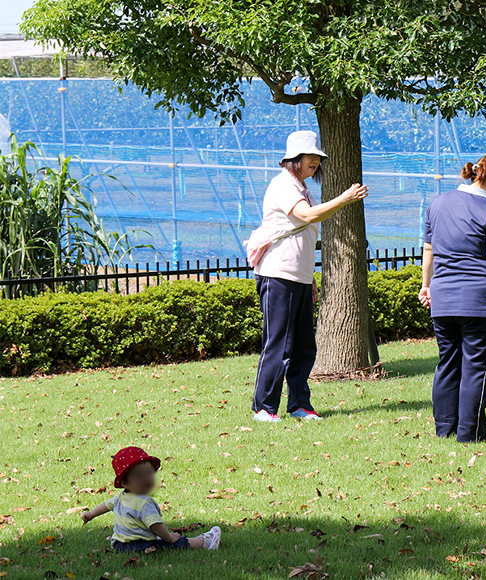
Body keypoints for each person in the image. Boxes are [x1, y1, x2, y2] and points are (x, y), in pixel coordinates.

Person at [250, 131, 368, 423]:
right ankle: (264, 407)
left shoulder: (301, 188)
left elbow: (302, 236)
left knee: (304, 345)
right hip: (278, 275)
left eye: (317, 158)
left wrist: (310, 277)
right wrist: (344, 198)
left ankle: (300, 404)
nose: (315, 161)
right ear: (294, 160)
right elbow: (308, 217)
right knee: (278, 343)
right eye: (309, 157)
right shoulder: (283, 185)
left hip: (298, 277)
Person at [418, 154, 486, 443]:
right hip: (480, 303)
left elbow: (429, 249)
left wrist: (426, 285)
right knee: (478, 369)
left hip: (442, 301)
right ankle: (470, 433)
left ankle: (445, 430)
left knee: (448, 364)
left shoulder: (437, 203)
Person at [80, 446, 221, 553]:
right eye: (139, 476)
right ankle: (204, 542)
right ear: (124, 483)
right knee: (171, 542)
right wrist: (170, 538)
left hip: (120, 546)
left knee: (155, 537)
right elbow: (157, 527)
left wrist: (91, 514)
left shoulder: (122, 497)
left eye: (148, 473)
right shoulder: (144, 503)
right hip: (140, 546)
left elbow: (106, 505)